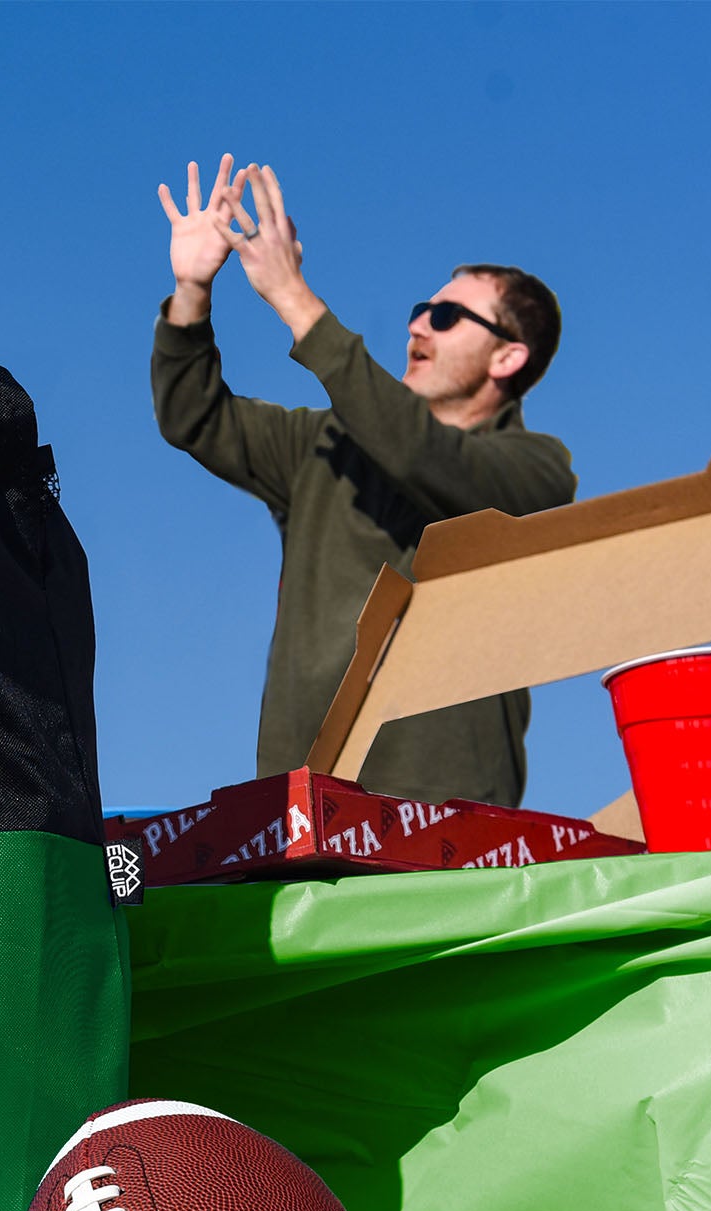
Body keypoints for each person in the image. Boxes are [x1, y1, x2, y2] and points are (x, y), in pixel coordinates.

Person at [152, 156, 574, 806]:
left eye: (446, 317)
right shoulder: (320, 444)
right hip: (303, 798)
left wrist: (295, 300)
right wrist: (191, 293)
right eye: (420, 309)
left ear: (508, 356)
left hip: (449, 811)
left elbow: (418, 454)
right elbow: (193, 416)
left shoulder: (537, 472)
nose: (416, 325)